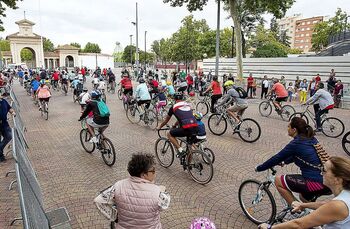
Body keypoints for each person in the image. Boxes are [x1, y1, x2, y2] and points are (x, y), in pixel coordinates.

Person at [256, 117, 331, 207]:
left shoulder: (296, 143)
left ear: (294, 129)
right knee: (303, 197)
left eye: (288, 126)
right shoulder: (310, 138)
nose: (287, 128)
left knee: (278, 180)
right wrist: (285, 162)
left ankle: (297, 209)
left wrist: (260, 168)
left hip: (314, 183)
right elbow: (299, 155)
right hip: (326, 183)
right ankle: (313, 214)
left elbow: (277, 158)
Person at [258, 156, 350, 229]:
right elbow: (327, 204)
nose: (320, 173)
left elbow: (299, 224)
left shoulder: (338, 205)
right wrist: (303, 205)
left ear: (337, 180)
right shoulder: (345, 195)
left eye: (324, 170)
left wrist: (270, 227)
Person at [113, 153, 170, 228]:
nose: (155, 173)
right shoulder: (157, 192)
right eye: (153, 171)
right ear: (143, 174)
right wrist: (161, 190)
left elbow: (100, 200)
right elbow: (163, 206)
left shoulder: (118, 185)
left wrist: (114, 216)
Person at [157, 92, 198, 158]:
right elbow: (184, 117)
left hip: (186, 128)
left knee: (169, 134)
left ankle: (180, 150)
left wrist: (159, 127)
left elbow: (166, 120)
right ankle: (188, 166)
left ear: (174, 99)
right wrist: (175, 125)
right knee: (189, 147)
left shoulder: (173, 107)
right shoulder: (187, 105)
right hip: (195, 127)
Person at [0, 94, 16, 162]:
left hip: (4, 123)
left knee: (9, 136)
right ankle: (1, 157)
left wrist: (12, 112)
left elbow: (9, 107)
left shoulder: (3, 101)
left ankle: (0, 148)